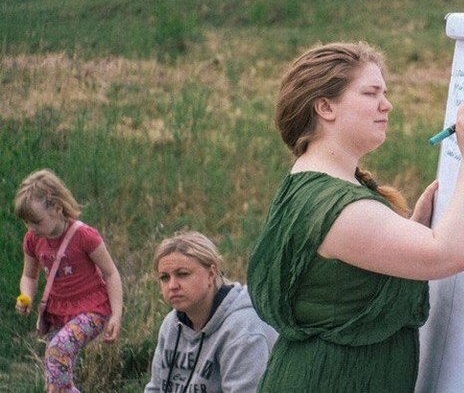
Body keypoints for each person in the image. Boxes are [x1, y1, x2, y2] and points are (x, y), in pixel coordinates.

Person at [248, 41, 464, 392]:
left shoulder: (311, 186)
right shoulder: (337, 206)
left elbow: (341, 288)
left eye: (384, 92)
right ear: (325, 107)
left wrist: (409, 234)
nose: (386, 104)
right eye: (371, 93)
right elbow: (450, 254)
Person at [13, 168, 124, 393]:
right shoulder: (33, 240)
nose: (31, 228)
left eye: (36, 221)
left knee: (58, 350)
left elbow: (111, 273)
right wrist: (26, 296)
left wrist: (116, 314)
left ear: (57, 208)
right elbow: (29, 276)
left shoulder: (84, 236)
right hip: (57, 312)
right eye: (26, 223)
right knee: (55, 380)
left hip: (92, 309)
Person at [145, 231, 278, 393]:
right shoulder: (171, 324)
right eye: (164, 277)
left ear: (211, 274)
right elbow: (155, 388)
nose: (172, 285)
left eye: (183, 274)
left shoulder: (244, 331)